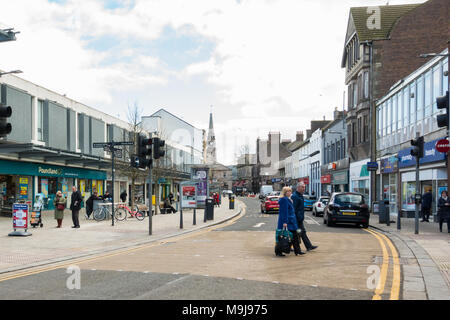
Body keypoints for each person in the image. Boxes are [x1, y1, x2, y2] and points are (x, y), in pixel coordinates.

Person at [291, 182, 318, 252]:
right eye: (302, 187)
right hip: (296, 219)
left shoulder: (300, 195)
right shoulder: (295, 196)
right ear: (298, 187)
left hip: (299, 218)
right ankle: (290, 247)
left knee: (301, 232)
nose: (304, 189)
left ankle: (308, 246)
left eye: (304, 187)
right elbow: (294, 209)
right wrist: (295, 218)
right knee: (297, 233)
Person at [276, 186, 303, 257]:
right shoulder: (284, 200)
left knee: (293, 236)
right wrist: (285, 222)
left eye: (290, 191)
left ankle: (298, 251)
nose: (290, 192)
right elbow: (284, 212)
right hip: (288, 221)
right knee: (284, 236)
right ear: (285, 193)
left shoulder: (287, 199)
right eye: (288, 191)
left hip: (291, 221)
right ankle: (279, 251)